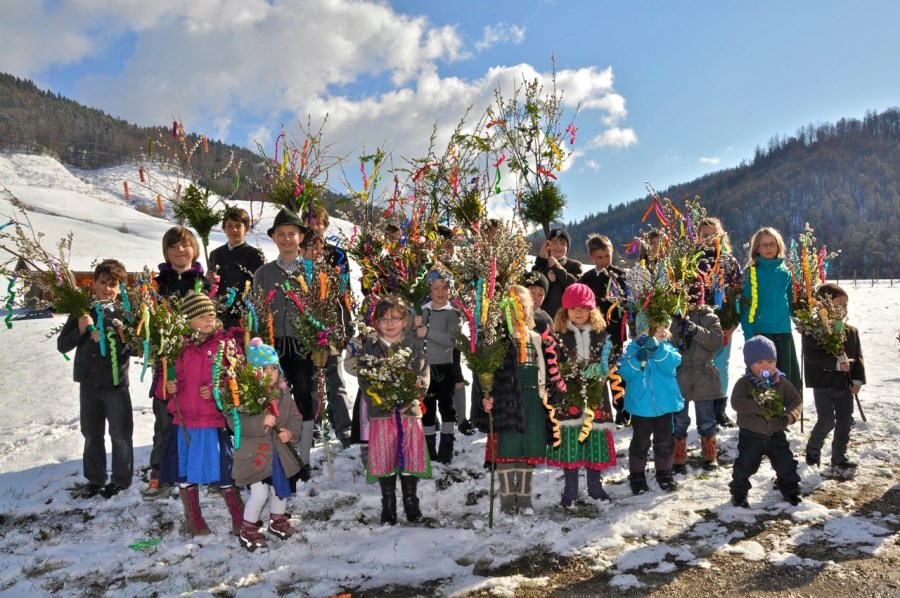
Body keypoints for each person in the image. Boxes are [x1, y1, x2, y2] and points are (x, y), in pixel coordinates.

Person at [156, 291, 245, 536]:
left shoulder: (225, 345)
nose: (209, 319)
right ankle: (193, 518)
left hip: (211, 421)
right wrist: (167, 387)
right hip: (183, 423)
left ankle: (239, 515)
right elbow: (163, 380)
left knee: (223, 469)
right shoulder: (176, 347)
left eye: (212, 314)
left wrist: (219, 390)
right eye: (201, 316)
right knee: (184, 471)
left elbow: (237, 378)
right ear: (187, 321)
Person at [344, 296, 430, 525]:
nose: (390, 323)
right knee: (384, 456)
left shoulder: (413, 346)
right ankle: (388, 504)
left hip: (408, 412)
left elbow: (422, 376)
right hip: (381, 413)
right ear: (377, 323)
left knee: (409, 454)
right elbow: (365, 379)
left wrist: (410, 391)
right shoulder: (370, 348)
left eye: (395, 318)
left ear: (405, 321)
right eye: (384, 319)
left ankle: (411, 502)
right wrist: (381, 396)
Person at [144, 226, 212, 500]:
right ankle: (160, 471)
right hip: (167, 359)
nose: (180, 250)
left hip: (198, 359)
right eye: (173, 246)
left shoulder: (206, 283)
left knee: (202, 413)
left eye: (185, 245)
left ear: (194, 249)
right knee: (164, 414)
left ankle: (203, 468)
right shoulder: (157, 285)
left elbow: (211, 320)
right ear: (166, 251)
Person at [57, 259, 133, 499]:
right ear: (93, 284)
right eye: (102, 282)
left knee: (120, 434)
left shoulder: (124, 314)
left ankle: (121, 479)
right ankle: (95, 478)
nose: (107, 288)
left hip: (115, 384)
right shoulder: (81, 311)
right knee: (92, 434)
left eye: (113, 284)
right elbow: (62, 345)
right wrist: (80, 329)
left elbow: (135, 347)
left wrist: (113, 337)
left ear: (120, 289)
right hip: (88, 385)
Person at [475, 286, 554, 515]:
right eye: (511, 306)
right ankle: (508, 501)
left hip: (532, 402)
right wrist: (486, 397)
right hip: (506, 401)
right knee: (508, 450)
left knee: (527, 450)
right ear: (503, 311)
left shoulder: (538, 339)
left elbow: (545, 372)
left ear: (531, 308)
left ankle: (525, 499)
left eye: (522, 305)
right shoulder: (498, 341)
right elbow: (487, 376)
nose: (517, 311)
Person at [253, 208, 316, 481]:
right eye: (281, 234)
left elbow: (323, 311)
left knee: (303, 396)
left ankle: (302, 458)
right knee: (271, 398)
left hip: (303, 343)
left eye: (292, 234)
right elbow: (255, 310)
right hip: (272, 345)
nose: (287, 239)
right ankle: (274, 456)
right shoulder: (263, 273)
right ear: (274, 238)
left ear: (301, 237)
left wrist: (323, 345)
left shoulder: (312, 272)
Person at [546, 283, 616, 506]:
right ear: (564, 311)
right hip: (568, 399)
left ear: (592, 311)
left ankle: (595, 487)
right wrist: (568, 373)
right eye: (573, 308)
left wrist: (602, 369)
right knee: (570, 444)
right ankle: (571, 489)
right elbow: (552, 365)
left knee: (594, 442)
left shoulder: (601, 335)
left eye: (583, 308)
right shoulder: (557, 337)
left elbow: (610, 361)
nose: (578, 312)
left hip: (596, 398)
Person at [232, 338, 303, 551]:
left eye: (273, 368)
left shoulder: (283, 394)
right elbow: (235, 422)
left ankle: (277, 520)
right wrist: (259, 422)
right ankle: (248, 529)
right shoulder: (243, 397)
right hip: (255, 456)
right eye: (263, 368)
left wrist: (290, 432)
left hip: (279, 456)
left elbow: (295, 417)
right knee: (260, 494)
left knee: (280, 490)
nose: (270, 372)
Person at [303, 204, 355, 449]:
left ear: (325, 225)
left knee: (336, 377)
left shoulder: (338, 254)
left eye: (320, 222)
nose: (315, 226)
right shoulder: (297, 255)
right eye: (310, 221)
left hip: (332, 323)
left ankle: (344, 426)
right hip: (303, 327)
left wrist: (348, 324)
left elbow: (346, 293)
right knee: (310, 380)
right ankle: (313, 427)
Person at [730, 335, 803, 508]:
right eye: (759, 362)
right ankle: (739, 493)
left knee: (786, 464)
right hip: (751, 436)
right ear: (750, 365)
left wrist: (791, 416)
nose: (765, 366)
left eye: (770, 361)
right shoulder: (744, 383)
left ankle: (791, 491)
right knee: (745, 466)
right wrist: (756, 405)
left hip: (776, 433)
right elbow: (736, 403)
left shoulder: (781, 382)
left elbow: (795, 400)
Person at [802, 283, 866, 473]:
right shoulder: (813, 332)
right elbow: (813, 357)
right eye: (838, 305)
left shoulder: (851, 331)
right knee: (827, 420)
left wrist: (857, 380)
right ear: (824, 307)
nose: (843, 310)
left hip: (845, 386)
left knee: (845, 421)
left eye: (845, 305)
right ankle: (813, 449)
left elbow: (858, 357)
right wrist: (836, 364)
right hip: (823, 385)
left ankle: (839, 457)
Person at [618, 317, 683, 494]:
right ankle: (637, 476)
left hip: (664, 406)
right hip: (641, 407)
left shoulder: (667, 347)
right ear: (643, 330)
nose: (662, 330)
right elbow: (625, 372)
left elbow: (672, 365)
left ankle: (665, 474)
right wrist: (638, 359)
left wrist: (657, 349)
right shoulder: (632, 349)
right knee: (641, 441)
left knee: (664, 441)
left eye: (665, 327)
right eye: (657, 327)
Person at [740, 227, 802, 390]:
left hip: (783, 330)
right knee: (764, 376)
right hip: (762, 332)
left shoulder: (785, 272)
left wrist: (802, 319)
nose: (768, 248)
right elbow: (745, 305)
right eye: (764, 245)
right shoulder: (752, 272)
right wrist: (749, 334)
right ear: (757, 249)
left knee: (787, 375)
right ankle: (766, 410)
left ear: (778, 246)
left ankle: (790, 410)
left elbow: (790, 300)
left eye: (772, 244)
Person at [696, 218, 743, 429]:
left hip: (724, 321)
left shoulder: (729, 261)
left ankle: (720, 410)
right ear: (697, 237)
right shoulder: (691, 260)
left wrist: (732, 323)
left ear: (721, 235)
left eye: (713, 234)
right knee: (699, 366)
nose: (709, 239)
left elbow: (737, 293)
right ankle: (702, 411)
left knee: (721, 365)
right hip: (698, 323)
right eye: (705, 235)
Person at [670, 293, 725, 473]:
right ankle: (678, 455)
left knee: (707, 419)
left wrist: (696, 331)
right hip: (680, 374)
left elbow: (717, 342)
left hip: (704, 374)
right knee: (679, 419)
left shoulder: (709, 317)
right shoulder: (673, 318)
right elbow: (666, 343)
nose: (691, 301)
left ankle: (710, 455)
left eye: (694, 296)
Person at [581, 234, 631, 426]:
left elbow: (626, 303)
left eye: (607, 256)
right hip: (594, 334)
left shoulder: (619, 275)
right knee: (595, 372)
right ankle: (599, 411)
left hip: (615, 333)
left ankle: (622, 410)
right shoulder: (586, 278)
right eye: (600, 257)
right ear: (591, 256)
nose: (604, 261)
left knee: (615, 372)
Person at [418, 271, 461, 464]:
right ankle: (428, 451)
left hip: (444, 369)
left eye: (445, 287)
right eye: (436, 288)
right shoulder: (422, 311)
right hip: (424, 369)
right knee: (426, 409)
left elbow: (452, 340)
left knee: (446, 408)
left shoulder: (453, 314)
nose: (440, 292)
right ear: (429, 290)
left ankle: (446, 451)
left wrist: (428, 331)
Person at [207, 206, 265, 329]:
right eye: (229, 225)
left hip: (243, 314)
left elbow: (258, 287)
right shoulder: (215, 254)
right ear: (223, 228)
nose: (234, 229)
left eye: (238, 226)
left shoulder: (255, 255)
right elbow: (211, 283)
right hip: (218, 313)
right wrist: (209, 280)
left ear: (246, 229)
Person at [531, 228, 582, 318]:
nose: (558, 246)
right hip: (540, 317)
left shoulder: (575, 265)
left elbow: (576, 286)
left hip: (566, 318)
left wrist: (557, 267)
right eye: (554, 242)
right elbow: (531, 284)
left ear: (567, 247)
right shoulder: (542, 264)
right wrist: (541, 260)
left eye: (562, 243)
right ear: (548, 245)